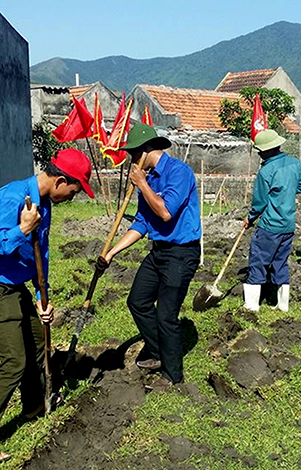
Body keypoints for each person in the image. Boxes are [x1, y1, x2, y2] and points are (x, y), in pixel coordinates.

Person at [0, 148, 94, 464]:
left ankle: (34, 403)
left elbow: (42, 255)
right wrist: (21, 229)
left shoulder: (44, 205)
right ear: (61, 180)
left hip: (15, 287)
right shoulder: (14, 198)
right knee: (14, 361)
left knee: (39, 344)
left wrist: (40, 297)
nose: (73, 198)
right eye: (74, 191)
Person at [99, 123, 201, 390]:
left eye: (133, 154)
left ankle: (173, 375)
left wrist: (142, 184)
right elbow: (142, 223)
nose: (132, 161)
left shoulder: (179, 172)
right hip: (159, 252)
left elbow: (166, 212)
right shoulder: (150, 178)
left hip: (181, 253)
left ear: (145, 151)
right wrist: (111, 252)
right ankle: (157, 351)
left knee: (167, 315)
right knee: (138, 301)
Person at [242, 129, 301, 312]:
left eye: (260, 151)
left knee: (258, 260)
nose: (259, 154)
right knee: (280, 262)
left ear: (267, 150)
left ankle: (252, 305)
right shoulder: (294, 164)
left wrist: (250, 218)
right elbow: (300, 186)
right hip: (288, 224)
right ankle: (282, 305)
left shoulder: (266, 171)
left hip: (270, 226)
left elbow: (260, 202)